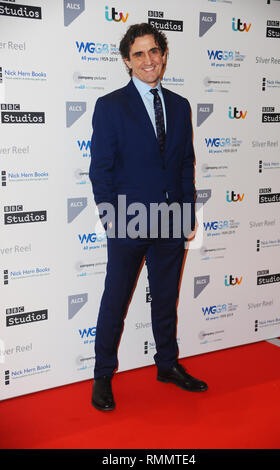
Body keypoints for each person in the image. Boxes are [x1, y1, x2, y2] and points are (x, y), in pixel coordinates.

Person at [89, 23, 208, 411]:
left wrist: (188, 210)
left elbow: (185, 163)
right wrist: (111, 219)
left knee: (166, 299)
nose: (148, 60)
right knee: (115, 300)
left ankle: (167, 365)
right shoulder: (110, 106)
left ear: (163, 55)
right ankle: (103, 375)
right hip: (128, 221)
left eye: (153, 51)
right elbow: (100, 169)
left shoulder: (179, 104)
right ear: (127, 61)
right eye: (139, 53)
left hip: (171, 220)